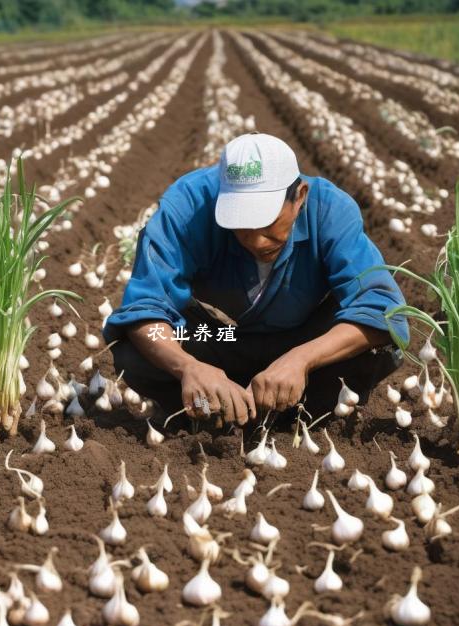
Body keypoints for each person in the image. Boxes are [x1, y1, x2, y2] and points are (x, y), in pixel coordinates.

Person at [101, 133, 409, 429]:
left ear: (299, 196)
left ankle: (300, 414)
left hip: (303, 338)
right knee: (138, 350)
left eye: (267, 222)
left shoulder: (330, 209)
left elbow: (381, 309)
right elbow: (146, 308)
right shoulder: (189, 205)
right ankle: (209, 414)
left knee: (375, 347)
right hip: (223, 339)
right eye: (241, 224)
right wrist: (188, 367)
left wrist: (301, 359)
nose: (258, 241)